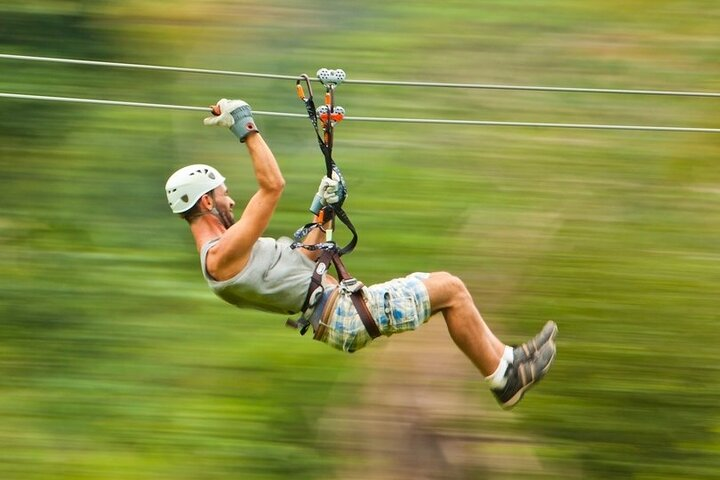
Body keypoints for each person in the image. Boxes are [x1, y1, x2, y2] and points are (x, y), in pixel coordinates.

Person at [164, 99, 557, 410]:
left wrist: (325, 209)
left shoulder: (235, 254)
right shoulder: (220, 258)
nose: (230, 199)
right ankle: (503, 375)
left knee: (437, 286)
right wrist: (244, 125)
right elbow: (272, 186)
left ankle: (506, 363)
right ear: (206, 203)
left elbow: (307, 259)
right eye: (222, 194)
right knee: (449, 288)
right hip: (345, 313)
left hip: (341, 311)